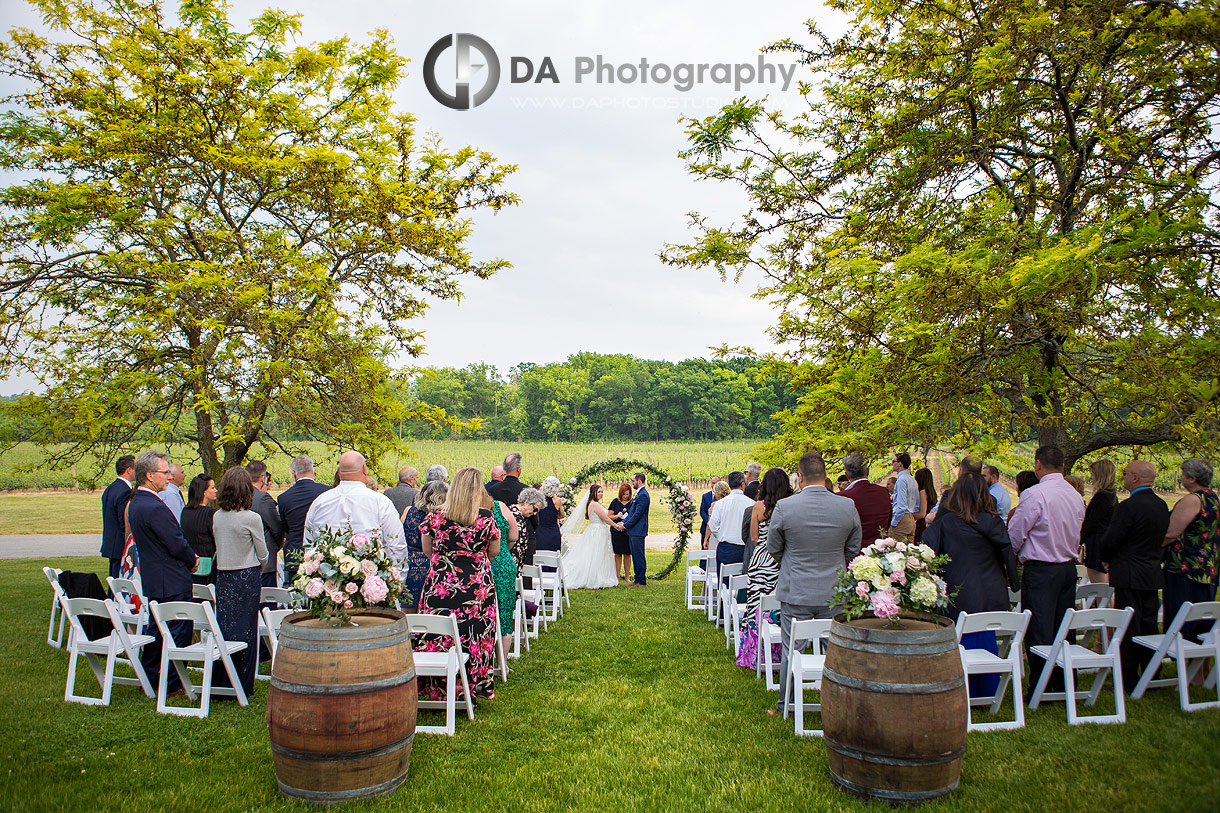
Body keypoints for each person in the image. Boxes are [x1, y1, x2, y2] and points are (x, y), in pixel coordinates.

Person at [766, 451, 861, 715]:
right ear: (826, 476)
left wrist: (792, 562)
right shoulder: (846, 506)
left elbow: (773, 547)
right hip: (835, 591)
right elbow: (852, 549)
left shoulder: (786, 507)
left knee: (790, 648)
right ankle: (839, 704)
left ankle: (785, 705)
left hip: (796, 589)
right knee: (837, 649)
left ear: (800, 477)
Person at [924, 471, 1018, 695]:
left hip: (957, 590)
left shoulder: (946, 523)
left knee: (960, 640)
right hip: (989, 590)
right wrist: (1014, 584)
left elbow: (927, 549)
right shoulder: (993, 522)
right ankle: (986, 688)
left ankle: (959, 686)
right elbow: (1008, 552)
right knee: (985, 637)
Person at [417, 467, 501, 700]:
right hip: (476, 587)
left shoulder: (435, 516)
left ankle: (439, 688)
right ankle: (474, 684)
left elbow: (427, 549)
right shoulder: (485, 518)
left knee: (440, 634)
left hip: (440, 584)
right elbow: (494, 550)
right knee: (476, 635)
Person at [1008, 445, 1085, 695]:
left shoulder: (1035, 494)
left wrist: (1015, 556)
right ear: (1062, 465)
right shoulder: (1074, 495)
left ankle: (1042, 685)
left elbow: (1017, 532)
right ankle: (1064, 681)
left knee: (1040, 627)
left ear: (1038, 464)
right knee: (1064, 627)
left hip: (1041, 569)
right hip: (1067, 567)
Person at [127, 451, 198, 696]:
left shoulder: (137, 502)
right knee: (178, 629)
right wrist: (192, 559)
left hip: (155, 576)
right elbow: (176, 541)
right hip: (170, 577)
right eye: (165, 472)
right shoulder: (154, 506)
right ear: (149, 475)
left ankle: (151, 676)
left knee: (157, 629)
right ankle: (171, 683)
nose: (169, 477)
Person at [1099, 460, 1170, 692]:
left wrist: (1105, 555)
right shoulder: (1161, 505)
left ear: (1136, 479)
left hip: (1128, 571)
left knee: (1129, 625)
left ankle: (1128, 677)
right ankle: (1152, 672)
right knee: (1149, 624)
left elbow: (1112, 538)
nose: (1125, 478)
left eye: (1127, 474)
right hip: (1150, 571)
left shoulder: (1129, 506)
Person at [211, 466, 268, 695]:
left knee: (225, 627)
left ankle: (223, 680)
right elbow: (263, 553)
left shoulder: (217, 516)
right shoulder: (251, 518)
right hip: (246, 574)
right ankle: (242, 683)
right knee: (246, 629)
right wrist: (258, 567)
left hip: (223, 575)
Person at [304, 451, 406, 565]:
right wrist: (398, 577)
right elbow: (396, 545)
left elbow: (309, 545)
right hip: (371, 577)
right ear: (364, 469)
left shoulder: (319, 502)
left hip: (327, 578)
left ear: (338, 471)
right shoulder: (380, 502)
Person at [738, 467, 792, 669]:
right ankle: (778, 654)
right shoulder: (789, 506)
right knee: (778, 606)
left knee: (756, 607)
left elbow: (753, 537)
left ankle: (753, 655)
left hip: (761, 559)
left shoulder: (759, 507)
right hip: (783, 560)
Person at [1162, 458, 1220, 644]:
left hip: (1186, 567)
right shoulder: (1213, 497)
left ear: (1192, 478)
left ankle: (1185, 660)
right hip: (1207, 566)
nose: (1182, 479)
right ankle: (1198, 670)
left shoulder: (1192, 500)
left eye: (1184, 475)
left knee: (1184, 619)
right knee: (1202, 618)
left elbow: (1172, 533)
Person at [276, 455, 330, 578]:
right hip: (321, 553)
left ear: (294, 473)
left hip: (295, 552)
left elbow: (285, 527)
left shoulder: (284, 498)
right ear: (313, 471)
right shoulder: (327, 492)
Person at [560, 484, 619, 589]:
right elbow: (605, 518)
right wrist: (615, 525)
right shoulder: (595, 504)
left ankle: (599, 575)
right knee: (597, 553)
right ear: (594, 493)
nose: (601, 494)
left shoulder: (591, 503)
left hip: (594, 529)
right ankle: (596, 577)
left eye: (602, 492)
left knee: (594, 552)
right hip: (598, 531)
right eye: (599, 492)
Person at [400, 479, 446, 611]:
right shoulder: (442, 517)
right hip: (433, 565)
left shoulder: (409, 511)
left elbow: (401, 536)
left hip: (410, 564)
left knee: (408, 612)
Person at [483, 488, 519, 652]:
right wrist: (503, 547)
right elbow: (513, 536)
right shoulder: (499, 506)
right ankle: (502, 663)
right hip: (503, 562)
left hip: (480, 564)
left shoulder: (464, 510)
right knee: (504, 612)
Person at [839, 452, 891, 549]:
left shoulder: (842, 497)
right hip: (880, 551)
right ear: (867, 471)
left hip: (854, 554)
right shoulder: (884, 493)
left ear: (847, 475)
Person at [245, 460, 284, 589]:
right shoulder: (263, 499)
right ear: (262, 478)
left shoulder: (240, 496)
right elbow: (277, 528)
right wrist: (278, 544)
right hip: (265, 562)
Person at [1080, 459, 1118, 584]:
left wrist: (1078, 540)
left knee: (1100, 587)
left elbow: (1091, 523)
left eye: (1092, 473)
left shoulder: (1102, 496)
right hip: (1103, 544)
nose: (1091, 477)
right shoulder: (1112, 496)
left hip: (1097, 546)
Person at [707, 471, 754, 571]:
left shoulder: (720, 504)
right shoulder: (751, 503)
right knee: (743, 582)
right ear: (742, 484)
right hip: (744, 548)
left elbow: (713, 526)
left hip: (726, 548)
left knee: (724, 582)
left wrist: (721, 536)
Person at [101, 454, 135, 579]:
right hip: (120, 543)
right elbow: (123, 520)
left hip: (111, 542)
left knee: (114, 579)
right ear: (129, 470)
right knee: (119, 579)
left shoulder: (110, 488)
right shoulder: (125, 491)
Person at [180, 474, 217, 586]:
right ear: (204, 492)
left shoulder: (185, 512)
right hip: (209, 566)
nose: (216, 490)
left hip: (190, 563)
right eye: (212, 487)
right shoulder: (210, 513)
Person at [621, 472, 651, 586]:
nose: (632, 483)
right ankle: (637, 579)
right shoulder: (638, 494)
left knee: (639, 555)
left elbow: (637, 514)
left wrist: (625, 525)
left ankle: (641, 580)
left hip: (638, 530)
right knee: (635, 555)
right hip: (633, 530)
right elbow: (631, 512)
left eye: (633, 481)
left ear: (639, 481)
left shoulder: (643, 495)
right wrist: (623, 522)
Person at [889, 452, 919, 544]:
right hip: (911, 519)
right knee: (909, 552)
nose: (892, 464)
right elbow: (916, 503)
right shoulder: (912, 479)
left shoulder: (901, 480)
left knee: (897, 552)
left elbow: (901, 506)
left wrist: (893, 523)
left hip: (901, 519)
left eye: (894, 461)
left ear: (900, 464)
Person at [608, 482, 634, 582]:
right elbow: (609, 516)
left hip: (627, 531)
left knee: (627, 554)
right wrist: (617, 516)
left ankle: (627, 576)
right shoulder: (615, 502)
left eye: (627, 494)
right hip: (616, 531)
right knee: (618, 554)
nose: (625, 496)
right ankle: (617, 576)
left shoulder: (632, 502)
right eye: (623, 494)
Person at [534, 476, 566, 553]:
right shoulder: (557, 501)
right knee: (553, 557)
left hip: (539, 531)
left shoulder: (538, 500)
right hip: (553, 532)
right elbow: (562, 515)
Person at [703, 480, 730, 554]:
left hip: (716, 536)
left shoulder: (714, 505)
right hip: (728, 536)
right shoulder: (731, 504)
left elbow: (710, 523)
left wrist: (706, 539)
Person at [913, 467, 939, 545]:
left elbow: (922, 513)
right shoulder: (932, 492)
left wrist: (909, 517)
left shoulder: (923, 492)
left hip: (922, 525)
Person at [698, 476, 721, 549]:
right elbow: (702, 511)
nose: (714, 485)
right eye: (713, 483)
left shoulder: (724, 498)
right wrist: (708, 520)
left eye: (716, 483)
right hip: (705, 526)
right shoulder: (705, 496)